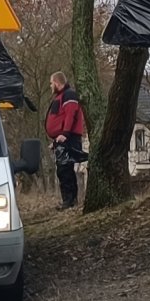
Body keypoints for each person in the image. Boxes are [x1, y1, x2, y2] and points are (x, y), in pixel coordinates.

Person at [45, 72, 87, 210]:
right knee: (63, 169)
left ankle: (70, 201)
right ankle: (68, 200)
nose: (51, 86)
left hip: (68, 137)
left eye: (51, 83)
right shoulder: (62, 96)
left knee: (65, 169)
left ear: (57, 82)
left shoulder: (69, 95)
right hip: (63, 138)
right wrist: (56, 141)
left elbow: (70, 115)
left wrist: (64, 134)